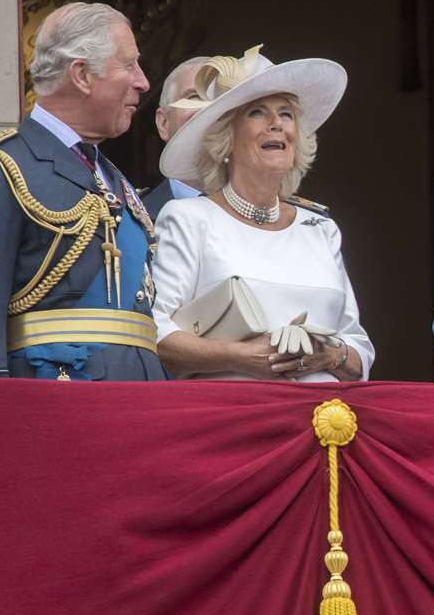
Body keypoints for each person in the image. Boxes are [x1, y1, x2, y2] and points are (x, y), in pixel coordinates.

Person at [0, 2, 166, 380]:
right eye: (129, 65)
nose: (143, 81)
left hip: (139, 402)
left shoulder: (114, 178)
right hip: (55, 406)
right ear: (82, 75)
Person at [150, 46, 373, 382]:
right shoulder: (187, 219)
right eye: (257, 112)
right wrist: (243, 357)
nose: (276, 125)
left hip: (325, 422)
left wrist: (328, 355)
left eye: (286, 114)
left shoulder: (320, 229)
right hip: (232, 420)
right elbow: (158, 335)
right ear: (226, 136)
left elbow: (359, 351)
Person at [143, 54, 209, 218]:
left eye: (221, 97)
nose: (210, 108)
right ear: (163, 123)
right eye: (194, 97)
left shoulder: (278, 215)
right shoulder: (132, 220)